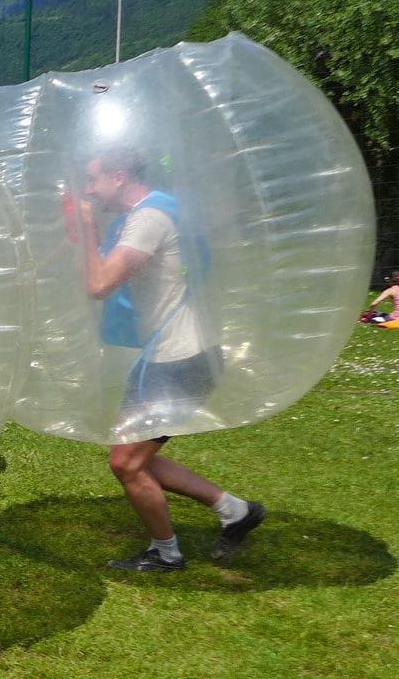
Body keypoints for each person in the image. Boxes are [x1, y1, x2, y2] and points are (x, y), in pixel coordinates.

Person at [75, 146, 264, 573]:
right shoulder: (151, 213)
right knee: (135, 455)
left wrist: (87, 225)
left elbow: (99, 284)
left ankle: (166, 552)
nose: (89, 189)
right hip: (171, 352)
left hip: (181, 357)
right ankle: (235, 511)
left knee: (125, 461)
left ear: (118, 177)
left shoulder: (149, 219)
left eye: (93, 180)